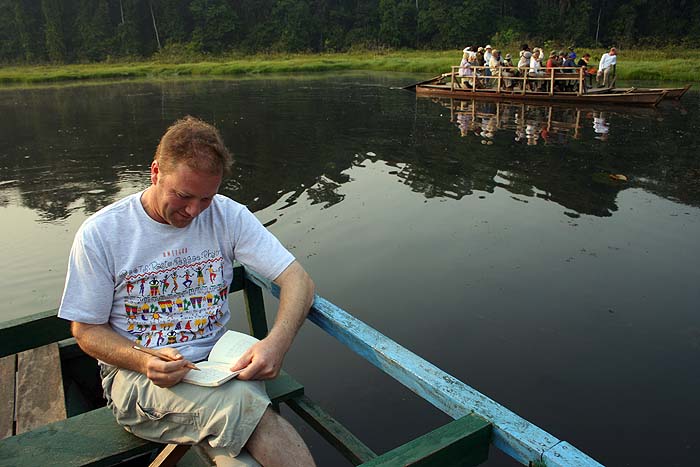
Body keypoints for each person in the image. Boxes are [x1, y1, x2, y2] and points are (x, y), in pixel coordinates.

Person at [58, 116, 317, 467]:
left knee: (241, 439)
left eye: (206, 198)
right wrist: (144, 359)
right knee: (243, 407)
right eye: (183, 195)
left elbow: (298, 279)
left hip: (221, 366)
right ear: (155, 172)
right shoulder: (102, 233)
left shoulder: (228, 216)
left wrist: (276, 343)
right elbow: (85, 330)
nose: (194, 211)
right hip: (138, 379)